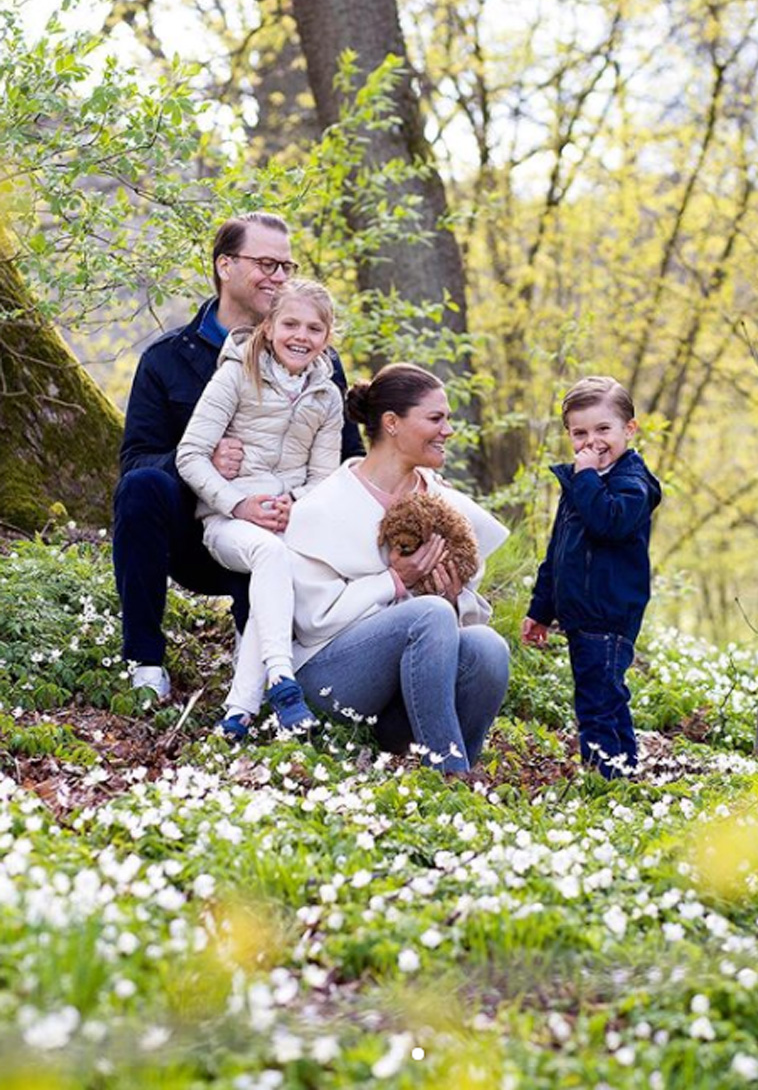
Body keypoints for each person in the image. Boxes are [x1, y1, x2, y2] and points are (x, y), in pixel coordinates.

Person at [113, 211, 363, 701]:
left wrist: (302, 500)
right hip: (197, 530)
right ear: (225, 266)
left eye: (287, 267)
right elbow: (136, 460)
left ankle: (267, 667)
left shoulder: (318, 365)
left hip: (281, 527)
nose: (279, 277)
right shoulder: (166, 359)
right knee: (142, 488)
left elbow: (345, 458)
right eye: (266, 263)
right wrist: (210, 464)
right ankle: (144, 662)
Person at [280, 363, 510, 773]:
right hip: (334, 682)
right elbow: (313, 622)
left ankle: (452, 772)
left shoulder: (443, 502)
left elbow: (454, 618)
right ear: (391, 423)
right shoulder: (325, 505)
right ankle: (451, 775)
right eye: (435, 419)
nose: (448, 431)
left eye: (449, 420)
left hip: (406, 698)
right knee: (430, 613)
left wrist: (453, 599)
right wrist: (394, 582)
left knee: (488, 647)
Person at [176, 279, 342, 737]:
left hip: (286, 524)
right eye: (290, 324)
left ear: (326, 338)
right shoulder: (234, 375)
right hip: (228, 524)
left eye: (314, 328)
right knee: (271, 556)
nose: (300, 336)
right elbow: (189, 455)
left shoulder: (327, 397)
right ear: (268, 327)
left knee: (283, 567)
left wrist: (296, 503)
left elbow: (323, 478)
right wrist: (239, 504)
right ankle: (283, 681)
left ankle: (237, 714)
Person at [521, 376, 662, 778]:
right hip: (581, 614)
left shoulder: (632, 484)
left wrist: (583, 478)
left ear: (628, 430)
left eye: (604, 429)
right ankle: (623, 772)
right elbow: (557, 552)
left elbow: (609, 523)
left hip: (609, 612)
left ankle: (605, 779)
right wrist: (540, 610)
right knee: (605, 698)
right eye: (579, 432)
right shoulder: (581, 482)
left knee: (597, 702)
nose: (591, 441)